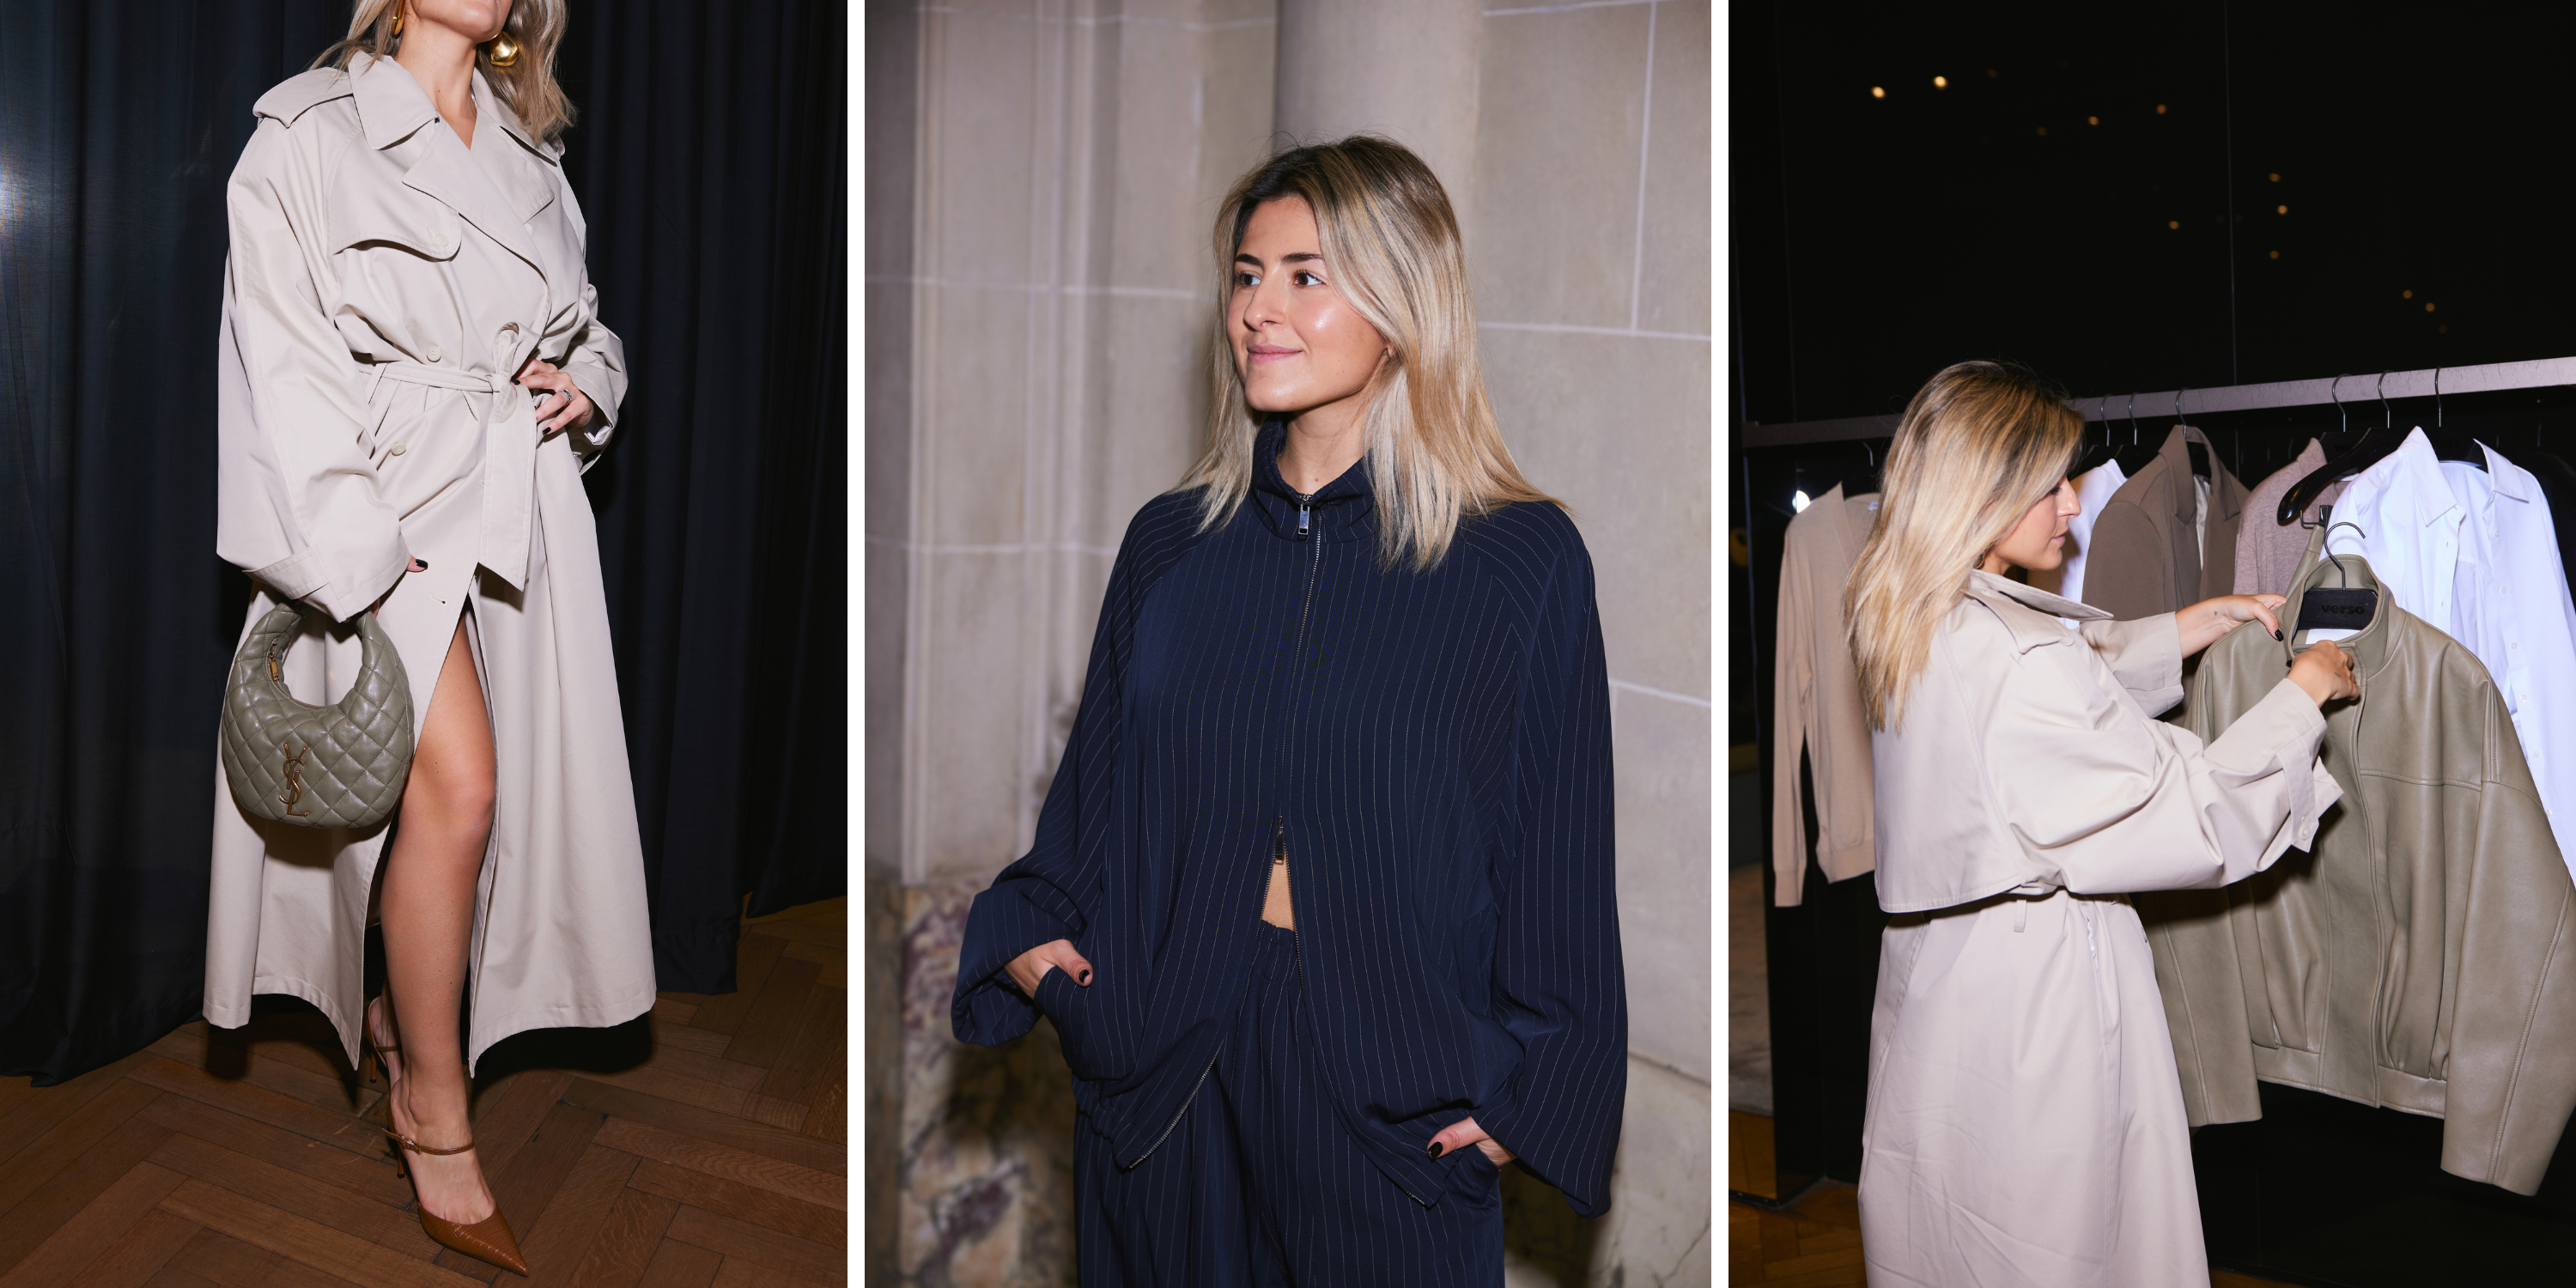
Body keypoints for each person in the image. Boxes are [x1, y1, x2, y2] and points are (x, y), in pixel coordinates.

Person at [950, 137, 1628, 1285]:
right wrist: (1034, 956)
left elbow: (1556, 855)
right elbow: (1092, 806)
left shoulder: (1519, 561)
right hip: (1162, 1076)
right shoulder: (1172, 544)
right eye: (1247, 275)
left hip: (1392, 1108)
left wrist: (1533, 1096)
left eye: (1306, 275)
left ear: (1403, 306)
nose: (1258, 309)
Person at [204, 0, 656, 1274]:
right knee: (461, 790)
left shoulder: (530, 152)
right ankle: (431, 1110)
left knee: (460, 806)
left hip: (519, 503)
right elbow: (281, 362)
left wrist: (590, 386)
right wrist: (357, 550)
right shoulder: (306, 134)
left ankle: (405, 1030)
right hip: (384, 506)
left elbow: (587, 324)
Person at [1848, 361, 2360, 1287]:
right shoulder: (2018, 661)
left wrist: (2195, 622)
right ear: (1981, 494)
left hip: (1941, 978)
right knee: (2056, 1240)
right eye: (2048, 484)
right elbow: (2191, 814)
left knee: (1952, 1228)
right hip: (2036, 991)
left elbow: (2061, 681)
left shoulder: (1912, 612)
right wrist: (2302, 695)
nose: (2071, 505)